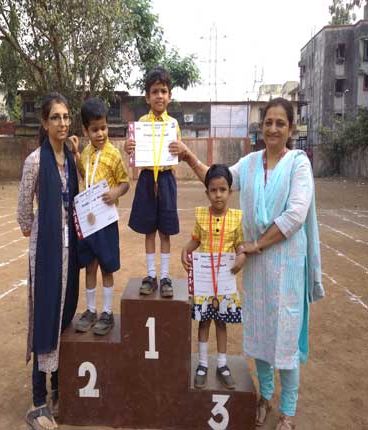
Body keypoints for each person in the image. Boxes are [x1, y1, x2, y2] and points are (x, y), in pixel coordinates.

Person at [174, 97, 324, 430]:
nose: (273, 128)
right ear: (261, 127)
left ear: (291, 128)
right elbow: (218, 178)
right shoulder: (252, 162)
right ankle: (265, 398)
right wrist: (188, 156)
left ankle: (287, 412)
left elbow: (296, 214)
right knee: (260, 333)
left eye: (280, 123)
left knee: (284, 334)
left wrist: (255, 244)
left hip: (284, 262)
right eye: (268, 122)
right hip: (254, 265)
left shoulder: (299, 163)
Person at [17, 93, 80, 430]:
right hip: (46, 250)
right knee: (45, 316)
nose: (62, 123)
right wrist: (39, 235)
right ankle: (39, 401)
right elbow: (23, 211)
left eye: (66, 116)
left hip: (70, 249)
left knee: (64, 315)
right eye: (55, 117)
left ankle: (58, 386)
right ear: (44, 123)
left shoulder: (69, 157)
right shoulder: (35, 162)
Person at [181, 164, 246, 390]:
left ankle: (222, 364)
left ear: (230, 191)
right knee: (203, 321)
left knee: (221, 321)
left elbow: (239, 246)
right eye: (213, 190)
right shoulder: (201, 215)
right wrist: (185, 251)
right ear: (207, 192)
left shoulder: (237, 218)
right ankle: (201, 364)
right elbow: (195, 240)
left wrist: (241, 257)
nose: (218, 195)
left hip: (225, 283)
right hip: (204, 283)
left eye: (223, 190)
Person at [72, 98, 129, 336]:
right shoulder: (85, 152)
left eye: (103, 128)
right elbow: (85, 173)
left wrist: (115, 191)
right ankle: (90, 310)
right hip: (88, 221)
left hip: (106, 221)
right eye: (95, 129)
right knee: (89, 267)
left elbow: (125, 182)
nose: (100, 133)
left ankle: (106, 312)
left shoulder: (114, 155)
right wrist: (75, 153)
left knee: (106, 267)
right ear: (85, 130)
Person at [126, 66, 183, 298]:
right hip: (147, 178)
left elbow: (178, 154)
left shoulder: (174, 124)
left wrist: (180, 149)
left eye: (164, 91)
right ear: (147, 97)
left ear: (169, 96)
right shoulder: (141, 123)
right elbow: (134, 155)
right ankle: (151, 275)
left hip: (167, 179)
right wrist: (128, 148)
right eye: (155, 91)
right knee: (149, 230)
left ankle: (165, 276)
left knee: (165, 231)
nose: (160, 95)